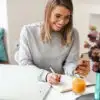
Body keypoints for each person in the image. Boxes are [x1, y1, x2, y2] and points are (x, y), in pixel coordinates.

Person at [16, 0, 90, 85]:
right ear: (48, 13)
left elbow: (70, 63)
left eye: (67, 17)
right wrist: (46, 76)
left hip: (59, 84)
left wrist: (76, 69)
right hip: (33, 82)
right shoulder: (28, 31)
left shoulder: (73, 34)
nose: (62, 22)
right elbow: (24, 64)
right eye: (58, 16)